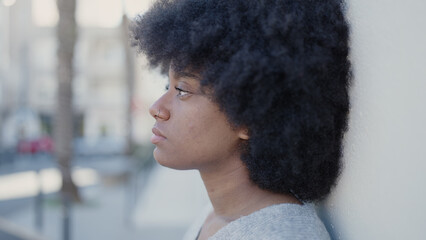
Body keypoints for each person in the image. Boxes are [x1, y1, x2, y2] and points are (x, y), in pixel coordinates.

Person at [131, 0, 350, 239]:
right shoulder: (216, 216)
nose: (156, 108)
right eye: (168, 86)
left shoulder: (283, 235)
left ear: (248, 113)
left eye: (182, 90)